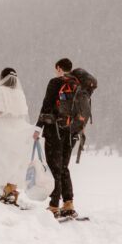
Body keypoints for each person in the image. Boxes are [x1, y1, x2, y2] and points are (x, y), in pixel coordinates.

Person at [0, 67, 35, 204]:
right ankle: (11, 189)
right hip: (20, 129)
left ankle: (7, 190)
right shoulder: (19, 93)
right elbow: (23, 112)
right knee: (15, 161)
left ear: (2, 77)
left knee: (1, 160)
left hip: (2, 129)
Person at [33, 58, 79, 217]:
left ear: (59, 68)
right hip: (71, 132)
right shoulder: (77, 85)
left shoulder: (55, 82)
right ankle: (68, 203)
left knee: (54, 167)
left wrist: (38, 127)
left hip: (54, 130)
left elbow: (46, 105)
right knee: (64, 167)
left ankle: (54, 206)